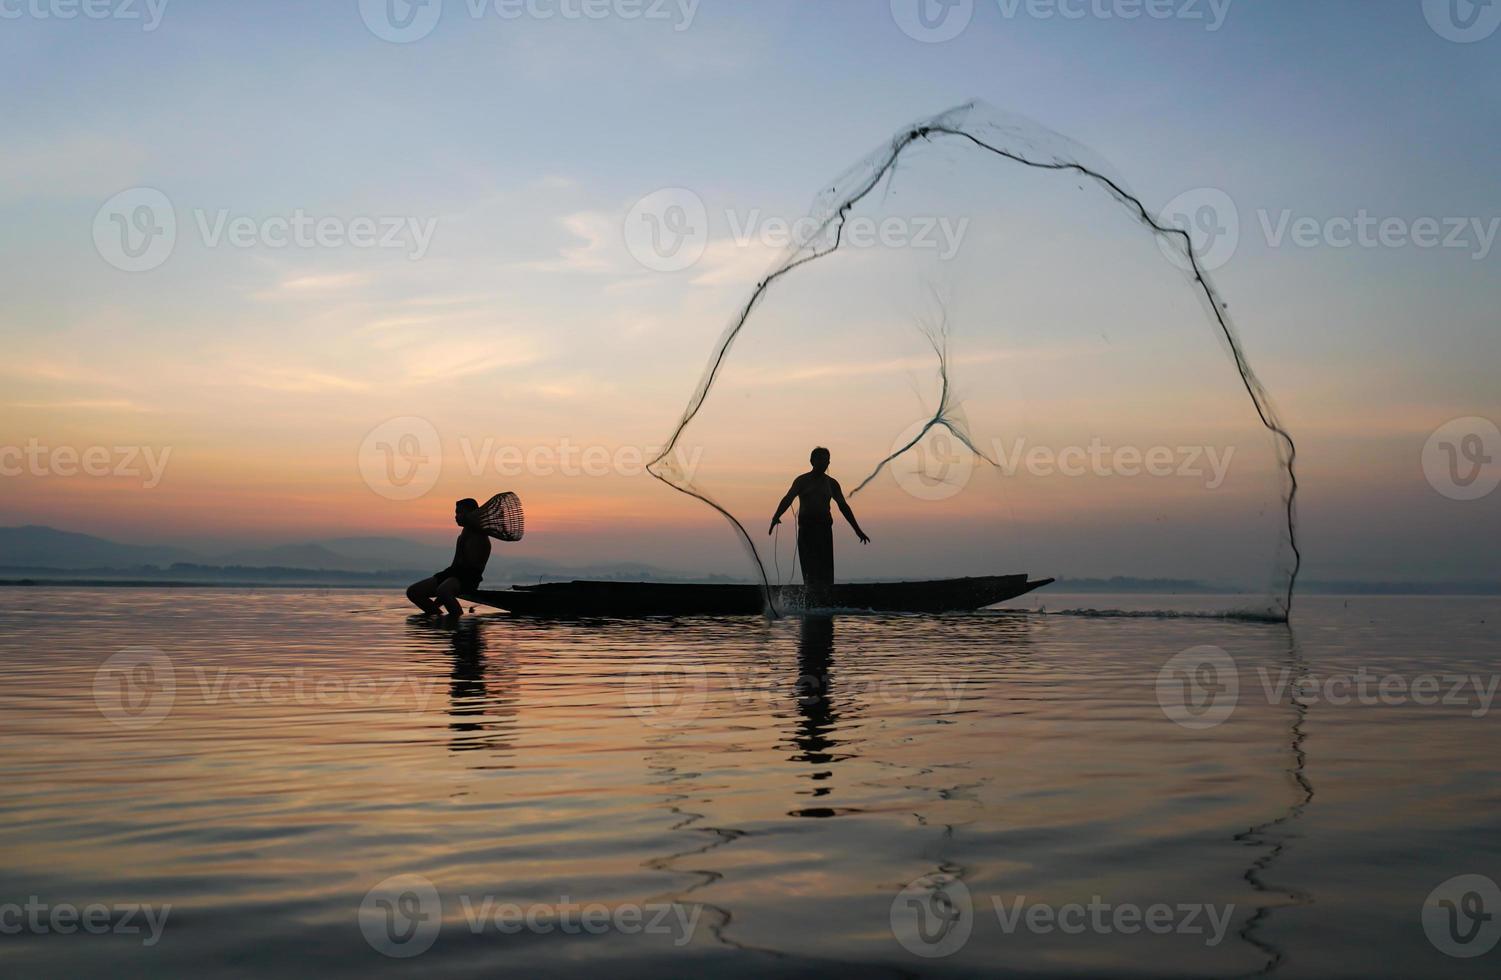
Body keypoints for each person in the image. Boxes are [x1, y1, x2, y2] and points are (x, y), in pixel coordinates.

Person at [768, 447, 869, 591]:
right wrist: (776, 516)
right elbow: (788, 499)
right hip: (807, 530)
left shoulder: (832, 483)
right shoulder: (802, 480)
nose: (824, 463)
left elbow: (843, 506)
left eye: (827, 460)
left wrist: (857, 530)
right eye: (820, 459)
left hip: (824, 530)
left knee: (826, 569)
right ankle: (811, 597)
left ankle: (826, 599)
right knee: (809, 569)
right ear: (812, 461)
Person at [407, 498, 492, 617]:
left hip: (469, 578)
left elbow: (471, 568)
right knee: (413, 592)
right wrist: (437, 601)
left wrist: (443, 591)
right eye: (456, 513)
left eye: (460, 513)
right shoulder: (462, 535)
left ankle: (457, 621)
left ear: (471, 514)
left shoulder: (479, 535)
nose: (456, 516)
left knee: (444, 591)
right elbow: (455, 564)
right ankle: (436, 616)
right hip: (454, 574)